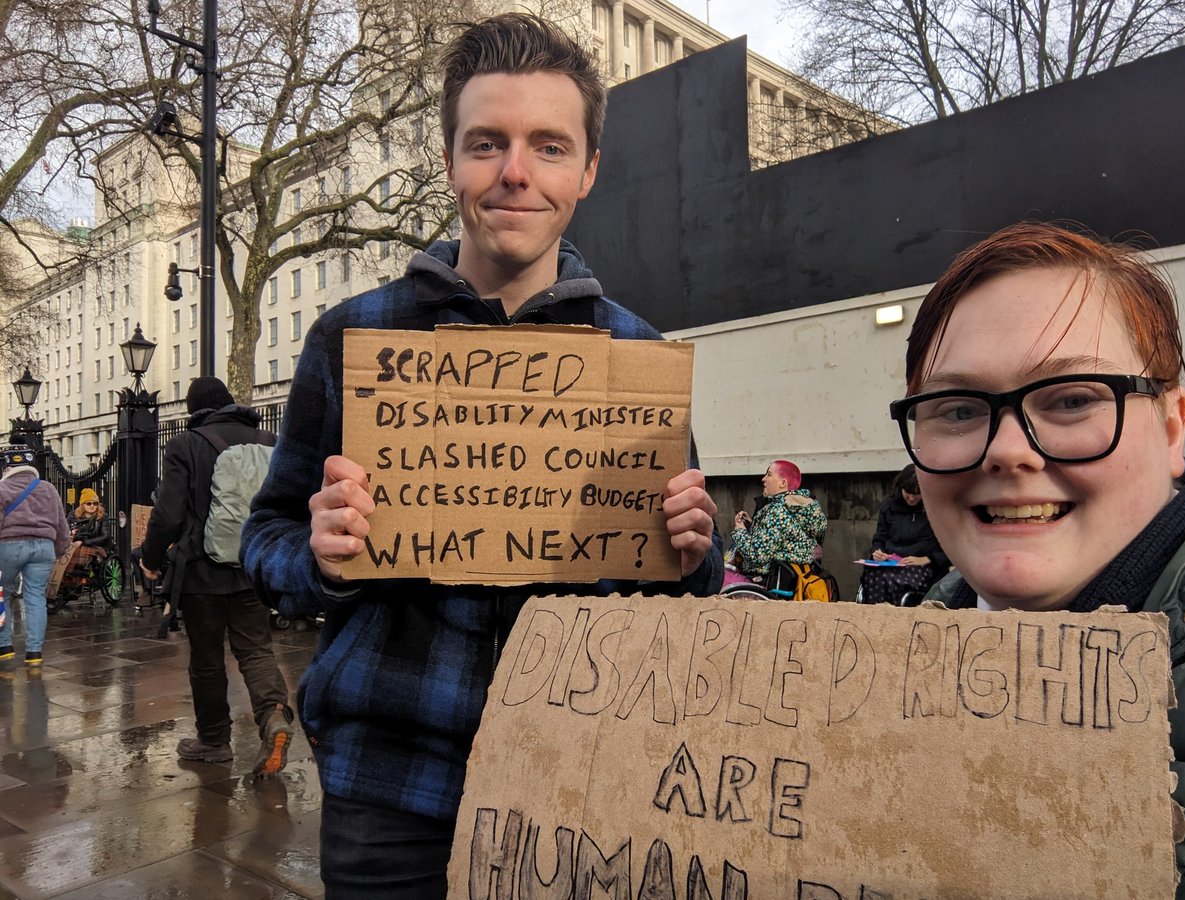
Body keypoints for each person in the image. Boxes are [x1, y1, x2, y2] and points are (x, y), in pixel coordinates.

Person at [241, 13, 723, 897]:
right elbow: (265, 540)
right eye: (486, 143)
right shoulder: (352, 336)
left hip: (581, 783)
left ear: (587, 170)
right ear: (451, 159)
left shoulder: (639, 358)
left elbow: (681, 577)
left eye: (547, 146)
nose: (514, 173)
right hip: (388, 788)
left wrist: (694, 550)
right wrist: (318, 554)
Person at [888, 221, 1185, 897]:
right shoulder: (886, 677)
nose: (1007, 450)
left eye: (1072, 399)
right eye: (959, 409)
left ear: (1173, 425)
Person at [139, 376, 294, 777]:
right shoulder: (268, 440)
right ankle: (273, 716)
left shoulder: (186, 445)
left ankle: (213, 741)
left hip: (201, 574)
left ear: (194, 410)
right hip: (253, 565)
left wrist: (151, 558)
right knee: (256, 649)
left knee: (207, 660)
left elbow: (168, 513)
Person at [0, 444, 70, 667]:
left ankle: (5, 647)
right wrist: (60, 549)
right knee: (36, 597)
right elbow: (61, 525)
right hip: (44, 547)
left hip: (9, 546)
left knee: (4, 594)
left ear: (7, 466)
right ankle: (34, 652)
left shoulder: (1, 489)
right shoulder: (48, 488)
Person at [858, 464, 949, 604]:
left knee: (894, 581)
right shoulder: (888, 507)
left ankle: (895, 619)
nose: (912, 498)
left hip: (920, 565)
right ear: (900, 488)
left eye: (917, 494)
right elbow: (880, 538)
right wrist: (877, 552)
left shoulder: (936, 511)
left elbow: (950, 550)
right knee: (872, 575)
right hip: (890, 562)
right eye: (908, 492)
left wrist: (927, 559)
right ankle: (875, 618)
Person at [727, 460, 826, 578]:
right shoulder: (798, 509)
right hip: (790, 579)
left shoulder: (777, 512)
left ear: (782, 483)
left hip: (764, 581)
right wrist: (751, 525)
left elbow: (757, 555)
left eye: (769, 475)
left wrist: (740, 531)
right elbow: (779, 539)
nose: (763, 479)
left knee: (721, 580)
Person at [66, 487, 110, 573]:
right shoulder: (73, 515)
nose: (92, 506)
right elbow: (65, 529)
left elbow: (105, 536)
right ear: (82, 505)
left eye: (95, 503)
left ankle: (84, 576)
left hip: (96, 545)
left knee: (83, 552)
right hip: (75, 544)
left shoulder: (102, 517)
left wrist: (84, 542)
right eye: (89, 503)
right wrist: (71, 532)